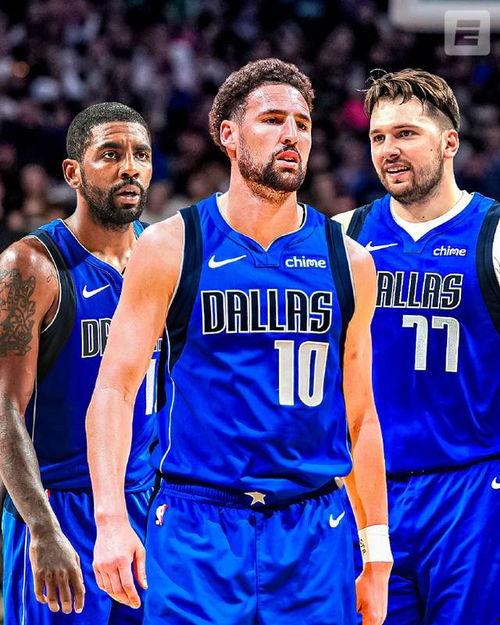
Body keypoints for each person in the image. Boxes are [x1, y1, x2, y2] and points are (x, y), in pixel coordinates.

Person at [86, 58, 393, 625]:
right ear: (228, 135)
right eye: (273, 120)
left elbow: (361, 417)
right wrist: (109, 520)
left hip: (313, 529)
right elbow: (113, 390)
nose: (291, 134)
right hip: (197, 524)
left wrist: (377, 553)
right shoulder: (172, 245)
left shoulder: (349, 260)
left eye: (303, 123)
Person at [334, 69, 500, 625]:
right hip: (366, 492)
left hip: (472, 489)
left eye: (406, 133)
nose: (389, 150)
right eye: (378, 137)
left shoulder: (493, 235)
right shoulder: (342, 237)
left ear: (450, 142)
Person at [0, 101, 159, 624]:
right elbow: (4, 409)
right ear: (73, 172)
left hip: (145, 506)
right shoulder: (30, 266)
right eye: (110, 154)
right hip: (58, 507)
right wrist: (41, 528)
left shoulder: (162, 257)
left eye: (141, 155)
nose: (129, 167)